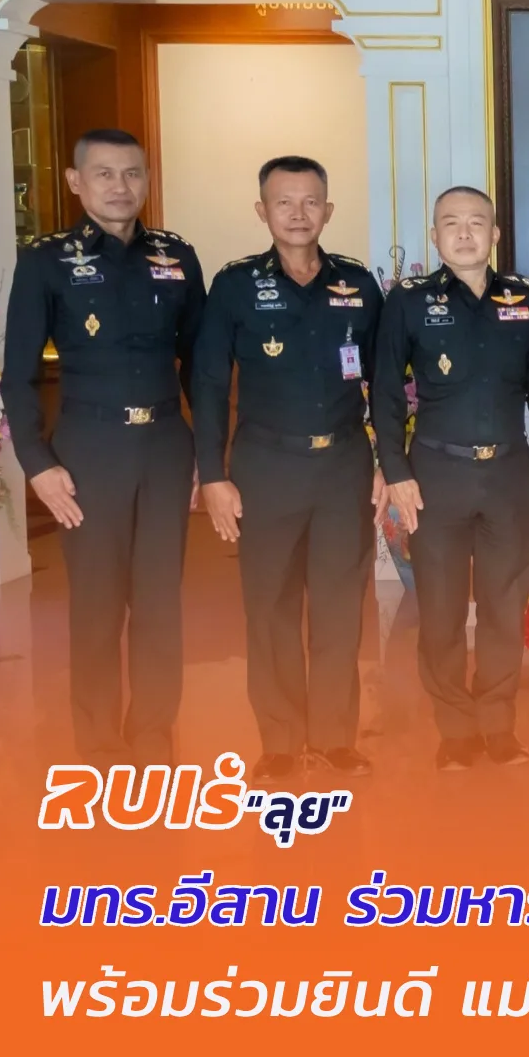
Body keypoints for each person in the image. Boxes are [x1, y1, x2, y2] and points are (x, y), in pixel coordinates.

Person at [4, 128, 204, 765]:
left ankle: (153, 738)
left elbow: (201, 367)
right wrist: (38, 464)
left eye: (132, 173)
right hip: (88, 450)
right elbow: (17, 374)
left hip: (165, 446)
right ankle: (97, 745)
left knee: (159, 602)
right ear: (75, 181)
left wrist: (207, 458)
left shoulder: (176, 256)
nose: (121, 186)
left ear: (146, 179)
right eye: (105, 173)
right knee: (96, 604)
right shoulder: (46, 260)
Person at [193, 156, 384, 781]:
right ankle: (279, 740)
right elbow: (209, 381)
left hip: (343, 467)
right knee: (270, 606)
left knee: (338, 608)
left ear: (328, 210)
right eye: (284, 202)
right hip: (265, 467)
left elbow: (384, 380)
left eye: (310, 202)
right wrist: (213, 475)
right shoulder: (235, 285)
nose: (299, 214)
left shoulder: (358, 283)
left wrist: (387, 461)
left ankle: (333, 738)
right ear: (262, 211)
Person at [374, 187, 529, 771]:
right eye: (451, 223)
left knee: (504, 605)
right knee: (442, 609)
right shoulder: (409, 302)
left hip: (507, 472)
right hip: (436, 475)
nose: (465, 233)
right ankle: (454, 729)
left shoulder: (525, 299)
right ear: (435, 237)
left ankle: (498, 725)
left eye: (477, 222)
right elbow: (385, 390)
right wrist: (395, 471)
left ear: (495, 234)